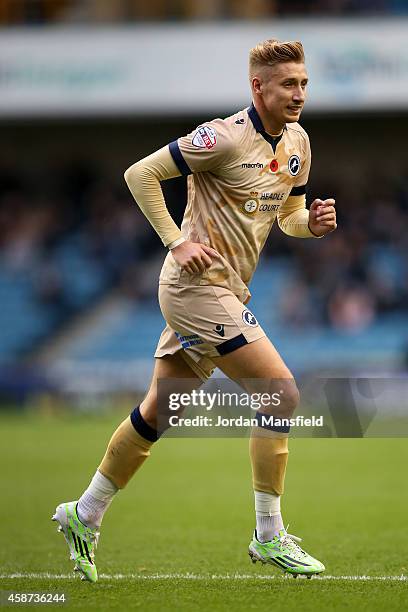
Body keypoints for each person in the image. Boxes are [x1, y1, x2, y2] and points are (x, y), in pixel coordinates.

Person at [52, 39, 337, 582]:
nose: (299, 93)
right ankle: (269, 535)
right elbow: (140, 175)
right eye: (288, 84)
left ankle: (83, 513)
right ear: (258, 87)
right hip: (193, 288)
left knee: (163, 409)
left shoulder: (298, 141)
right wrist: (175, 241)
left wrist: (312, 225)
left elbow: (290, 216)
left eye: (303, 83)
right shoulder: (224, 137)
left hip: (228, 290)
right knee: (281, 392)